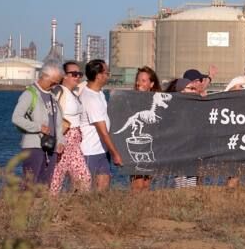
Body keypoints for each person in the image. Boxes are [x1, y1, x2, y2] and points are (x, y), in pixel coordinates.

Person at [12, 62, 65, 188]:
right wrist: (38, 127)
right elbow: (16, 118)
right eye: (53, 82)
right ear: (44, 76)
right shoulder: (29, 94)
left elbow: (57, 123)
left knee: (44, 186)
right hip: (33, 146)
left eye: (58, 83)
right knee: (29, 184)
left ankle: (41, 208)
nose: (55, 85)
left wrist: (61, 141)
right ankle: (23, 207)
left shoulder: (52, 96)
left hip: (50, 147)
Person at [49, 61, 92, 195]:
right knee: (55, 180)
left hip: (74, 143)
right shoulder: (59, 90)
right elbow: (50, 113)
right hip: (64, 139)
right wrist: (58, 139)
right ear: (64, 76)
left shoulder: (73, 93)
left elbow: (86, 86)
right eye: (74, 74)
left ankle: (73, 208)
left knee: (84, 178)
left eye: (80, 74)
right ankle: (50, 210)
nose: (78, 77)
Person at [80, 59, 123, 191]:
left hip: (102, 151)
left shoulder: (99, 93)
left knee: (103, 188)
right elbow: (103, 131)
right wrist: (115, 154)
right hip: (90, 152)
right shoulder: (90, 98)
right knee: (87, 190)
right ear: (99, 76)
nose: (108, 75)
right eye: (106, 72)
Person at [129, 66, 162, 192]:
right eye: (138, 80)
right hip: (136, 146)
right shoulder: (130, 98)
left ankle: (145, 209)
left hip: (152, 146)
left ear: (151, 84)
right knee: (137, 184)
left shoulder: (157, 100)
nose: (139, 84)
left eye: (144, 81)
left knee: (147, 184)